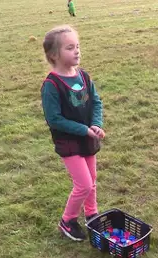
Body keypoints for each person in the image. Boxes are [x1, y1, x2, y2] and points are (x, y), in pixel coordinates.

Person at [41, 25, 106, 241]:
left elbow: (95, 101)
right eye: (70, 48)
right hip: (69, 141)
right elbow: (54, 119)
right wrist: (83, 130)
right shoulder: (51, 85)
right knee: (84, 184)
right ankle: (67, 221)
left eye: (77, 46)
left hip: (88, 137)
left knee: (92, 180)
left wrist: (95, 124)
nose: (77, 51)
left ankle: (92, 215)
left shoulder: (83, 76)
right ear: (54, 55)